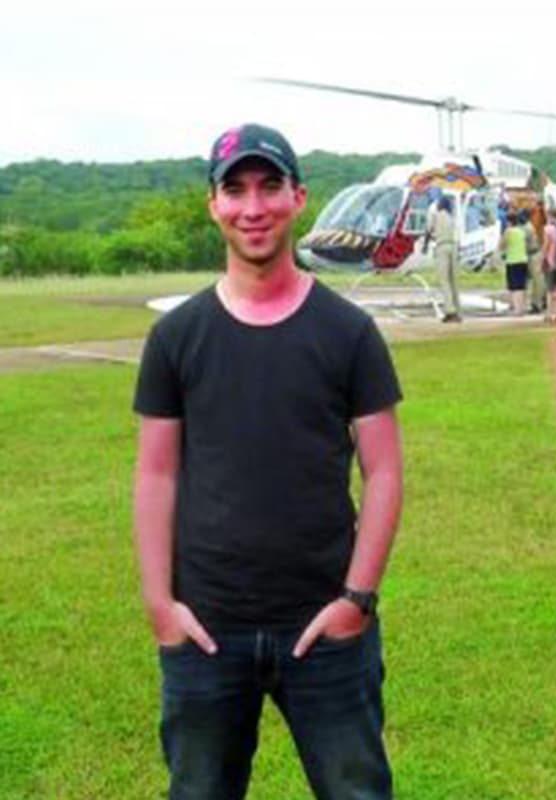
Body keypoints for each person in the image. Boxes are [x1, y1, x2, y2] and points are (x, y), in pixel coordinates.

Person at [133, 123, 404, 800]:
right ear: (213, 205)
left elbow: (386, 472)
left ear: (298, 197)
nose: (253, 207)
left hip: (325, 631)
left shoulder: (348, 333)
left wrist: (356, 601)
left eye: (269, 186)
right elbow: (155, 474)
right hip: (207, 631)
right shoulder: (176, 338)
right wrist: (160, 604)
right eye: (235, 190)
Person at [427, 195, 462, 322]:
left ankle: (450, 311)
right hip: (453, 246)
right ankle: (457, 310)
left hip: (442, 246)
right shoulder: (451, 217)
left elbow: (429, 229)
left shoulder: (436, 215)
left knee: (444, 280)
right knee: (454, 281)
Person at [501, 211, 529, 316]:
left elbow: (502, 245)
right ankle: (521, 307)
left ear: (508, 221)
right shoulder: (521, 231)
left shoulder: (508, 231)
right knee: (521, 286)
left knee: (514, 286)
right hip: (522, 259)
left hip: (512, 260)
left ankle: (516, 309)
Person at [541, 207, 556, 323]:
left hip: (550, 261)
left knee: (549, 288)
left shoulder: (548, 229)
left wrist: (542, 258)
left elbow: (546, 245)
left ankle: (549, 313)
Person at [520, 208, 543, 313]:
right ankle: (529, 303)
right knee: (528, 280)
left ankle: (537, 304)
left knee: (536, 281)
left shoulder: (527, 228)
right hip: (529, 254)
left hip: (533, 254)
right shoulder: (525, 226)